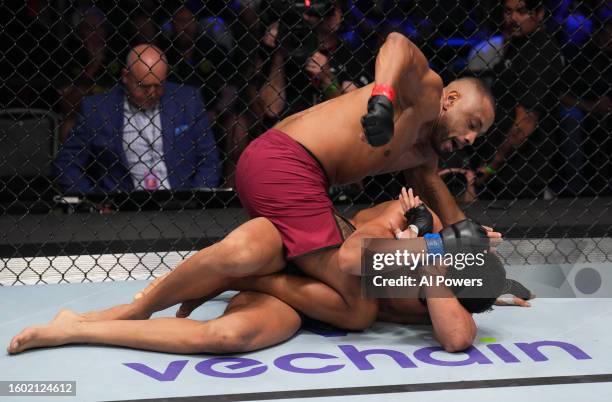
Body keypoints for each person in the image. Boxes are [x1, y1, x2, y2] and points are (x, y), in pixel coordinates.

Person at [8, 189, 525, 356]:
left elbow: (457, 335)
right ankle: (136, 306)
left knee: (227, 334)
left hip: (300, 300)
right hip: (300, 252)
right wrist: (409, 242)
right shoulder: (411, 218)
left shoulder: (447, 284)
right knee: (241, 254)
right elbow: (350, 252)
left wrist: (436, 267)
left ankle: (74, 327)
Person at [53, 44, 221, 194]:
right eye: (144, 86)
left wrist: (197, 198)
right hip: (124, 208)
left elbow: (209, 158)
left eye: (159, 85)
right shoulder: (97, 109)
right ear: (126, 76)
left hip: (179, 200)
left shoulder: (188, 100)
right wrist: (95, 200)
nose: (152, 93)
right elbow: (66, 163)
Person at [475, 0, 564, 198]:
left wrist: (491, 166)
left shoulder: (541, 52)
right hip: (502, 164)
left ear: (539, 13)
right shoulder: (519, 43)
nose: (512, 18)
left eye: (521, 11)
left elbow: (525, 125)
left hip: (521, 170)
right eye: (508, 11)